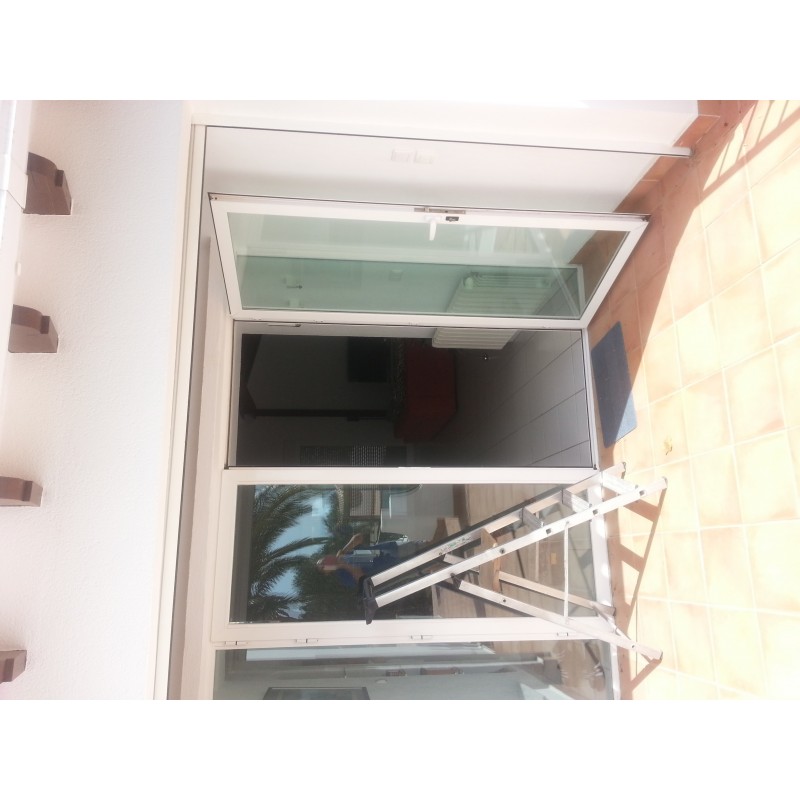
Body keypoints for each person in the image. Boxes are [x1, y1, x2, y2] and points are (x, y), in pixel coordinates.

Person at [316, 532, 429, 589]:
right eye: (324, 566)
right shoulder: (344, 577)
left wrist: (345, 549)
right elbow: (363, 581)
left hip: (391, 549)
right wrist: (345, 566)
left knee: (427, 545)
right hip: (394, 568)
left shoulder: (345, 554)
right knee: (429, 564)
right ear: (327, 572)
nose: (327, 562)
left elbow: (359, 537)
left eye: (324, 560)